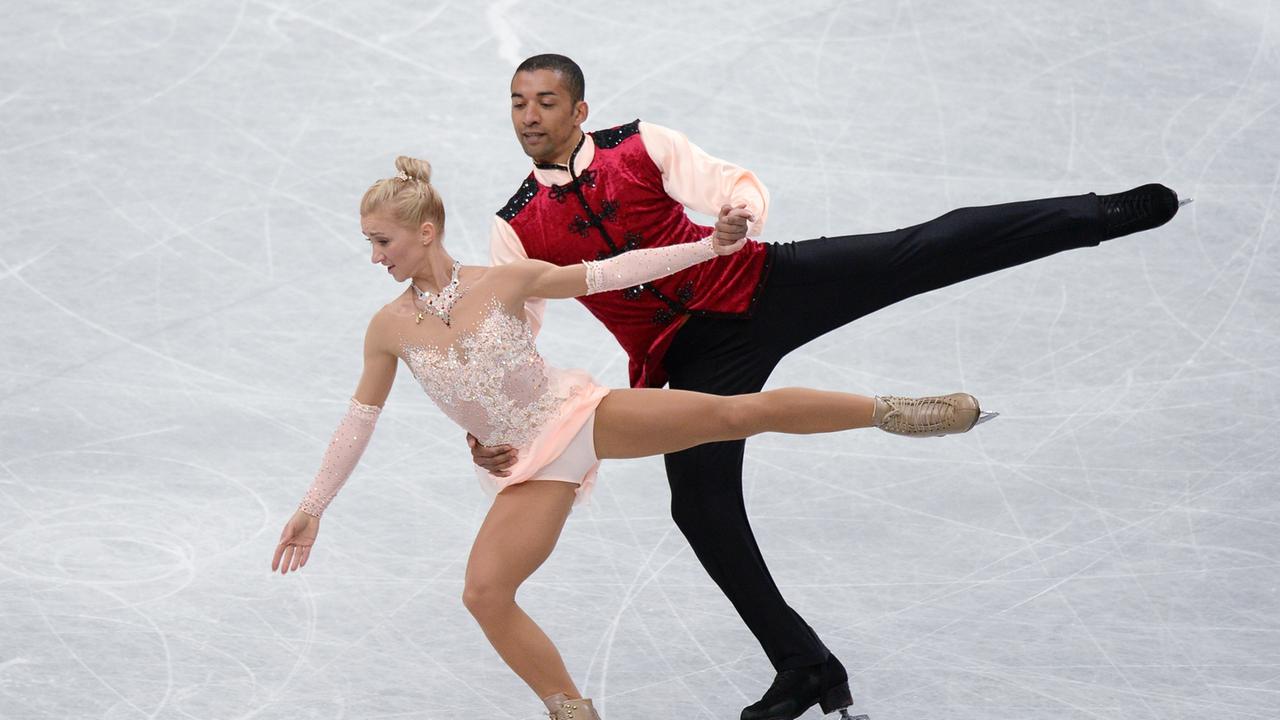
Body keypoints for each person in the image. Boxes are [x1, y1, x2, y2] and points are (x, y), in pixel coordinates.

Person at [471, 53, 1186, 720]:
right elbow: (510, 335)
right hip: (690, 360)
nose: (529, 116)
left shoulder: (637, 145)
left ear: (579, 109)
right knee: (699, 506)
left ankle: (1095, 215)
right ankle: (805, 666)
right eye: (517, 104)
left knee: (920, 249)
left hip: (761, 286)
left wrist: (739, 217)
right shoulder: (518, 226)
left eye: (545, 101)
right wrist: (494, 423)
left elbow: (727, 183)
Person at [271, 157, 991, 720]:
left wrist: (707, 247)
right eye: (371, 242)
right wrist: (313, 506)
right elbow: (357, 421)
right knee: (485, 593)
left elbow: (608, 272)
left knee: (733, 412)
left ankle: (898, 411)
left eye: (381, 240)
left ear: (424, 232)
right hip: (529, 466)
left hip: (580, 417)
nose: (374, 256)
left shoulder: (507, 280)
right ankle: (572, 711)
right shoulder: (387, 328)